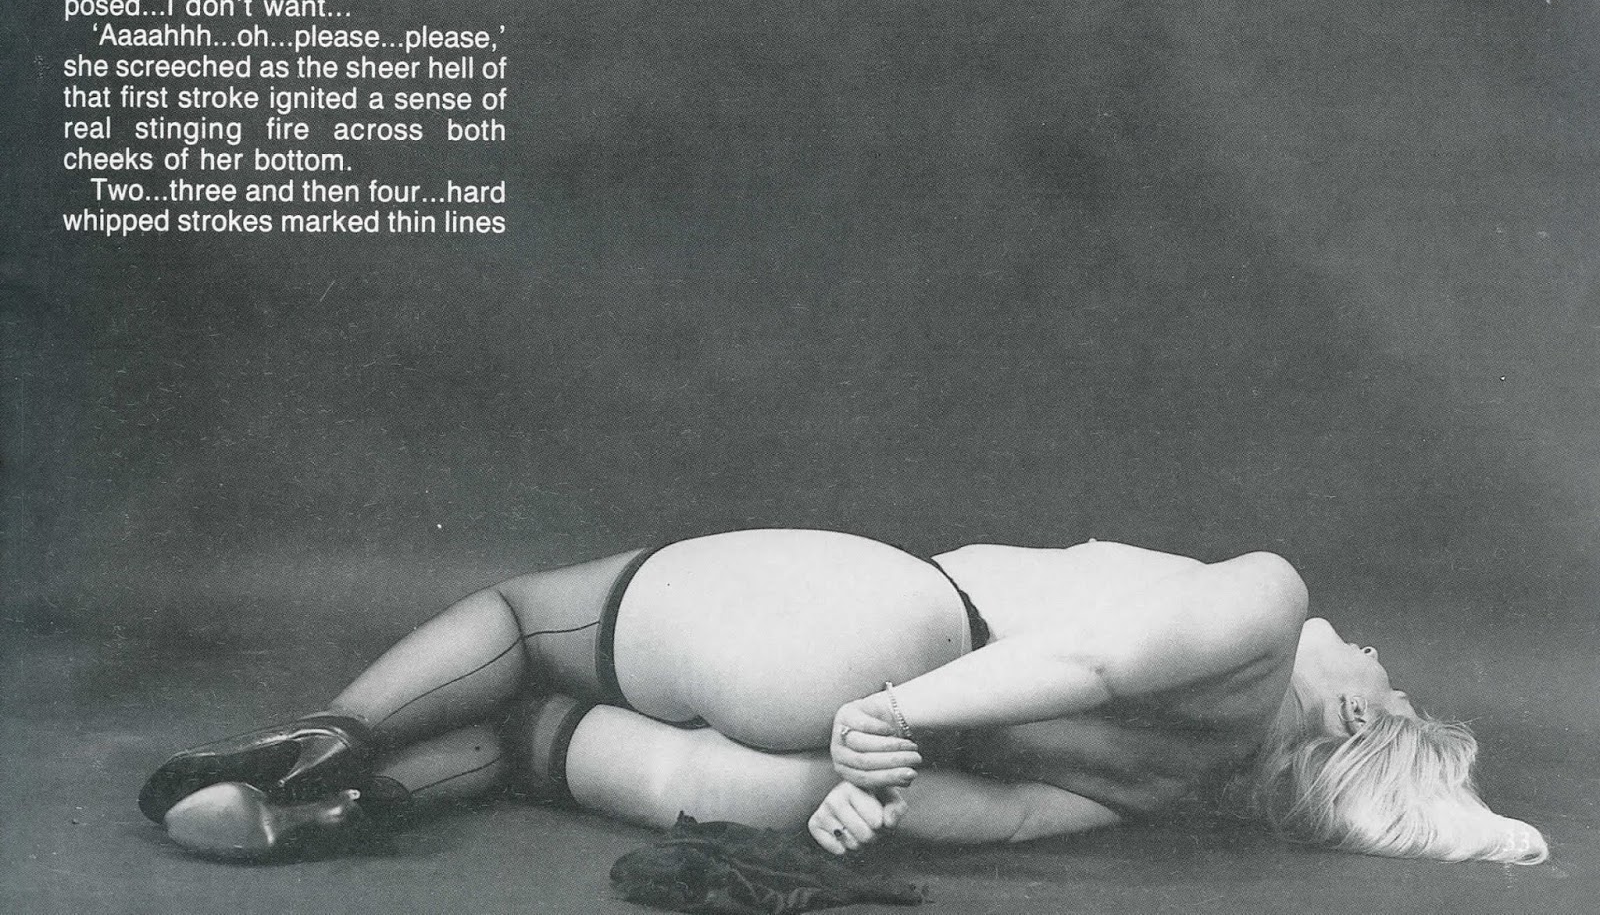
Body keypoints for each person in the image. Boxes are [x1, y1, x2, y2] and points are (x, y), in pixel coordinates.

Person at [139, 528, 1548, 865]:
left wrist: (900, 708)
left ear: (1355, 716)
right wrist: (859, 794)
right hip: (807, 783)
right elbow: (997, 817)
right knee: (526, 745)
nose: (1370, 645)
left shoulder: (1269, 603)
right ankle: (342, 812)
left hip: (889, 630)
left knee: (522, 617)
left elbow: (1095, 660)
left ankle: (323, 737)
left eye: (1384, 672)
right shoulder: (1175, 788)